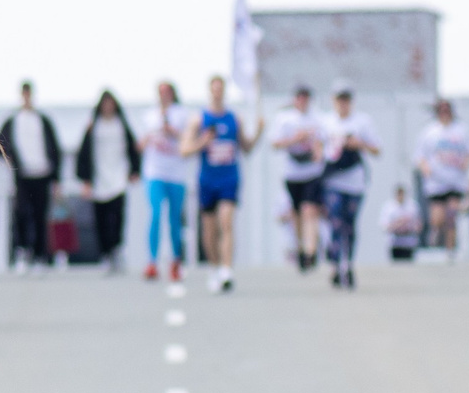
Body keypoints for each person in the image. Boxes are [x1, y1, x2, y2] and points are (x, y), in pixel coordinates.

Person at [188, 74, 258, 291]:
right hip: (208, 180)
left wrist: (260, 131)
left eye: (221, 88)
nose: (218, 92)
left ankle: (227, 269)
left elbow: (246, 147)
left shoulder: (234, 119)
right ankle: (214, 267)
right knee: (209, 230)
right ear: (210, 91)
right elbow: (184, 149)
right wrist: (202, 141)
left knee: (226, 222)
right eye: (214, 88)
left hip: (229, 178)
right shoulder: (199, 120)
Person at [0, 81, 63, 273]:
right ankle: (22, 252)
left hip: (43, 173)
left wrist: (57, 179)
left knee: (41, 215)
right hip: (22, 175)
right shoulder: (13, 120)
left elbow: (56, 150)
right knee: (21, 214)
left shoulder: (43, 120)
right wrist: (8, 157)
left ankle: (41, 255)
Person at [319, 83, 379, 289]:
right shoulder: (325, 122)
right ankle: (335, 263)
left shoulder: (362, 122)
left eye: (346, 99)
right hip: (333, 178)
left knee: (349, 223)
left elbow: (377, 148)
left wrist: (358, 144)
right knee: (335, 221)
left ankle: (348, 263)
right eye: (339, 99)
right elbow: (316, 148)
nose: (343, 104)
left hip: (354, 179)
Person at [73, 89, 136, 274]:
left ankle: (117, 249)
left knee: (117, 216)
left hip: (118, 177)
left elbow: (132, 148)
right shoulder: (93, 126)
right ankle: (105, 253)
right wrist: (85, 179)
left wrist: (134, 170)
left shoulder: (121, 124)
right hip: (99, 179)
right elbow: (83, 153)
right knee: (100, 219)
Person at [267, 84, 327, 271]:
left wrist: (318, 152)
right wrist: (296, 139)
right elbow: (275, 143)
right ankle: (301, 248)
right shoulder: (285, 119)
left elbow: (323, 142)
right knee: (297, 213)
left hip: (312, 173)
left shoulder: (318, 118)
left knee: (310, 210)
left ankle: (311, 250)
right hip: (292, 173)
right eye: (299, 97)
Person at [138, 81, 192, 282]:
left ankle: (175, 261)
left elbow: (188, 139)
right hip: (155, 172)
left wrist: (172, 131)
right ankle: (152, 261)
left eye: (166, 91)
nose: (163, 95)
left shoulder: (181, 114)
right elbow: (141, 143)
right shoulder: (149, 116)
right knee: (155, 213)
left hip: (176, 173)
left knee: (175, 219)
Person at [414, 99, 469, 254]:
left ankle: (450, 249)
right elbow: (420, 156)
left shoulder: (461, 131)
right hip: (436, 182)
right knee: (438, 219)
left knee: (452, 216)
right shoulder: (429, 132)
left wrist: (465, 165)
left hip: (455, 181)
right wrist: (426, 169)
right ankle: (436, 236)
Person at [385, 185, 422, 260]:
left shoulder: (412, 206)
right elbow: (384, 226)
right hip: (395, 243)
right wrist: (397, 224)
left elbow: (419, 224)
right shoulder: (389, 207)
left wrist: (408, 225)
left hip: (409, 243)